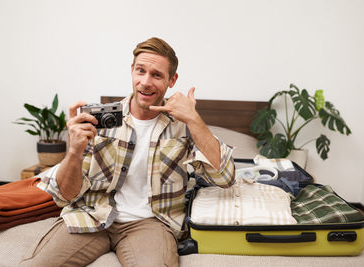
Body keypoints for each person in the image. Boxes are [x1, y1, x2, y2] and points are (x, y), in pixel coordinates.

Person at [19, 37, 235, 267]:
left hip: (151, 223)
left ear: (173, 80)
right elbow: (66, 196)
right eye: (140, 71)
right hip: (94, 213)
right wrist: (73, 151)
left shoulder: (183, 125)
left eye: (157, 75)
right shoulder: (100, 120)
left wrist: (194, 119)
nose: (145, 82)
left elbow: (225, 178)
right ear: (132, 70)